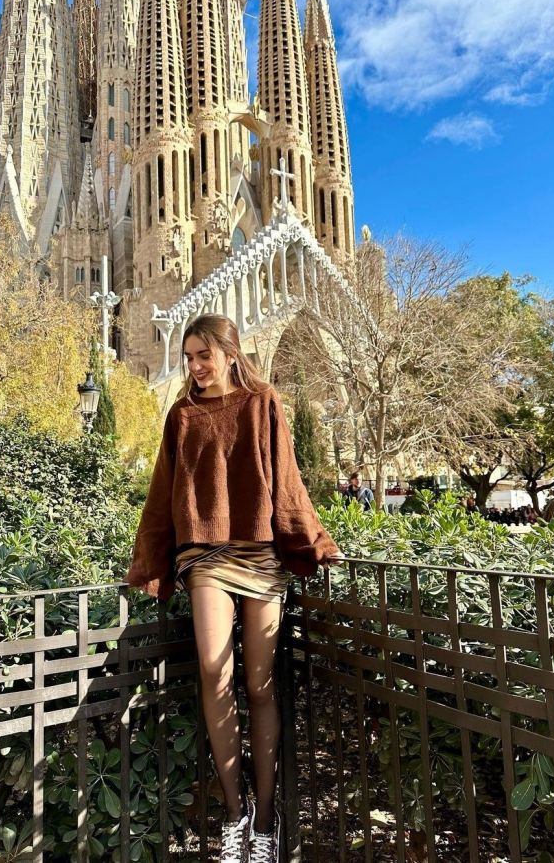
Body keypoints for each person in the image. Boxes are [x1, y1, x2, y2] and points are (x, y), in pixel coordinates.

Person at [126, 314, 341, 863]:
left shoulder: (261, 402)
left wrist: (310, 541)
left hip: (260, 557)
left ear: (229, 352)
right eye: (189, 357)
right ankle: (234, 813)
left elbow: (286, 478)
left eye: (204, 355)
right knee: (214, 674)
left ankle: (265, 821)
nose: (196, 366)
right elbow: (161, 493)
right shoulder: (181, 415)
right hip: (204, 556)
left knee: (260, 684)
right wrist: (151, 562)